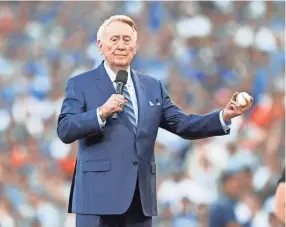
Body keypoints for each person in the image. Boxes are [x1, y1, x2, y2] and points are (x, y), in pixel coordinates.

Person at [57, 15, 253, 227]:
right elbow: (65, 128)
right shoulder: (81, 83)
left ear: (135, 46)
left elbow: (183, 124)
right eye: (114, 39)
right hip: (96, 199)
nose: (121, 45)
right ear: (100, 45)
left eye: (127, 39)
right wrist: (100, 113)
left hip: (138, 201)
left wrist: (224, 115)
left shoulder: (152, 86)